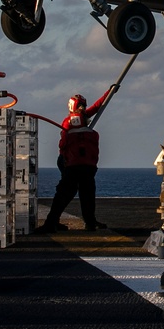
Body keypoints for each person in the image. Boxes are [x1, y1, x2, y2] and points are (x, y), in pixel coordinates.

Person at [39, 92, 109, 232]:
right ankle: (86, 222)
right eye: (82, 106)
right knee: (84, 193)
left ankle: (54, 222)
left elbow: (96, 107)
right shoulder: (76, 120)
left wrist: (109, 92)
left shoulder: (69, 121)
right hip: (81, 164)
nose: (84, 109)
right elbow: (94, 108)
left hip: (74, 163)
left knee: (68, 193)